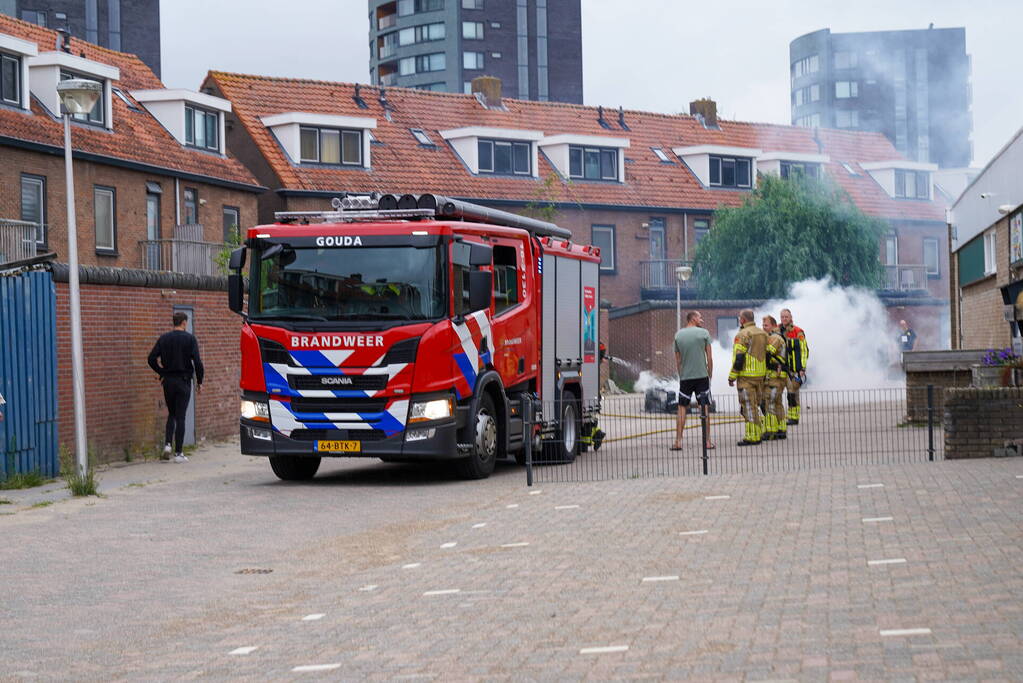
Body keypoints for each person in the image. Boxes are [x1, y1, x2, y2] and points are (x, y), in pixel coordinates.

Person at [148, 312, 204, 463]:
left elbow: (151, 358)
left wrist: (161, 372)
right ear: (184, 323)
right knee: (181, 416)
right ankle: (179, 453)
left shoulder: (164, 338)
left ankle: (167, 445)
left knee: (171, 414)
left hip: (168, 381)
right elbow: (197, 362)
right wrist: (200, 381)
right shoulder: (190, 339)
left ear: (174, 322)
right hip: (184, 381)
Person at [670, 311, 714, 451]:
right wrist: (710, 374)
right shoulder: (704, 333)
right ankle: (707, 442)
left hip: (686, 378)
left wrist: (681, 375)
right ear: (693, 318)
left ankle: (678, 441)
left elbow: (678, 360)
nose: (702, 320)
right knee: (704, 407)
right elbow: (709, 357)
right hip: (701, 376)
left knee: (682, 408)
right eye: (700, 317)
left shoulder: (678, 335)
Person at [728, 309, 768, 446]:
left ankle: (752, 437)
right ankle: (758, 432)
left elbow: (739, 357)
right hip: (760, 376)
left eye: (740, 318)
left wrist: (732, 376)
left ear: (743, 320)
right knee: (755, 406)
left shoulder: (743, 334)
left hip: (746, 376)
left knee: (748, 407)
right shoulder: (762, 333)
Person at [779, 308, 809, 426]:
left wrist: (802, 368)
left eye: (786, 317)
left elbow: (804, 350)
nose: (784, 319)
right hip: (782, 367)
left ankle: (794, 417)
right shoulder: (777, 329)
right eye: (782, 317)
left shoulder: (798, 332)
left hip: (794, 369)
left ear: (791, 318)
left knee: (792, 393)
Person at [761, 315, 788, 441]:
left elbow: (767, 352)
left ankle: (771, 431)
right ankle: (781, 430)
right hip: (778, 376)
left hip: (775, 376)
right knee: (777, 403)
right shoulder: (774, 337)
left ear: (774, 325)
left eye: (766, 325)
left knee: (769, 402)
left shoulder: (775, 338)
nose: (763, 328)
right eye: (763, 325)